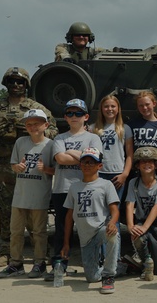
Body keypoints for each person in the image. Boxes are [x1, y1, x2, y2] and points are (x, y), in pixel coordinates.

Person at [0, 66, 57, 266]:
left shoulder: (37, 109)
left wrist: (32, 134)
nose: (16, 85)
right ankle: (6, 252)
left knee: (35, 211)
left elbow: (54, 132)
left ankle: (41, 252)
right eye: (11, 81)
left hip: (33, 166)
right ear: (5, 83)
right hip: (7, 167)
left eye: (20, 81)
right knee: (7, 209)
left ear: (26, 85)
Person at [47, 98, 104, 280]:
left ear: (86, 116)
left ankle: (98, 262)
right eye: (70, 113)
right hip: (63, 188)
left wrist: (71, 153)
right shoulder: (59, 137)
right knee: (63, 228)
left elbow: (93, 161)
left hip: (87, 188)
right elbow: (61, 160)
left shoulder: (93, 138)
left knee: (92, 226)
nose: (74, 116)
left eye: (78, 113)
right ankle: (59, 264)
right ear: (65, 116)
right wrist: (82, 156)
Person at [0, 109, 55, 279]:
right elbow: (14, 164)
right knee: (15, 231)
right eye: (29, 124)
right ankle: (15, 263)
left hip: (39, 196)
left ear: (46, 125)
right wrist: (17, 167)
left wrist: (47, 169)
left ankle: (39, 263)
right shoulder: (21, 142)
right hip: (20, 196)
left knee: (39, 232)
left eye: (37, 123)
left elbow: (57, 170)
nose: (32, 126)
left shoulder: (50, 145)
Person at [59, 147, 121, 294]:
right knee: (92, 278)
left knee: (113, 234)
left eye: (92, 162)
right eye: (84, 162)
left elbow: (115, 210)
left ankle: (109, 276)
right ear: (79, 164)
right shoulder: (74, 187)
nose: (87, 165)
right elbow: (69, 217)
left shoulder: (106, 185)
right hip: (85, 238)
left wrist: (112, 223)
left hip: (101, 229)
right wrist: (66, 243)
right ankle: (123, 266)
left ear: (100, 165)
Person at [126, 146, 157, 280]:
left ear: (156, 164)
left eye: (150, 161)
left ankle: (137, 263)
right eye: (143, 161)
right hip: (142, 221)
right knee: (137, 235)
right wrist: (130, 226)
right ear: (137, 165)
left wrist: (145, 227)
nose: (147, 164)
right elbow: (129, 204)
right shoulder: (133, 183)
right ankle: (145, 261)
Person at [129, 91, 157, 182]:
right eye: (141, 105)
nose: (144, 108)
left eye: (147, 104)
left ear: (154, 104)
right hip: (139, 168)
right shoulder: (131, 125)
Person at [91, 95, 132, 195]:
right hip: (98, 172)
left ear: (118, 109)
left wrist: (125, 174)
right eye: (106, 106)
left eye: (113, 106)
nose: (109, 109)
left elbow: (130, 155)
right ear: (101, 109)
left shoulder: (125, 128)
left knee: (114, 207)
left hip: (117, 174)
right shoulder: (93, 128)